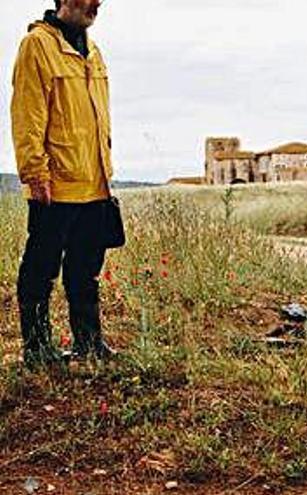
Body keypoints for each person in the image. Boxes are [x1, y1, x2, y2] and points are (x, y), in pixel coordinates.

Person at [12, 0, 117, 367]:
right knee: (40, 271)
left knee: (85, 272)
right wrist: (34, 173)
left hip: (94, 183)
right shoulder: (37, 45)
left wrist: (107, 172)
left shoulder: (94, 51)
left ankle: (90, 343)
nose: (98, 3)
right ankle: (38, 350)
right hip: (54, 185)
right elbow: (27, 115)